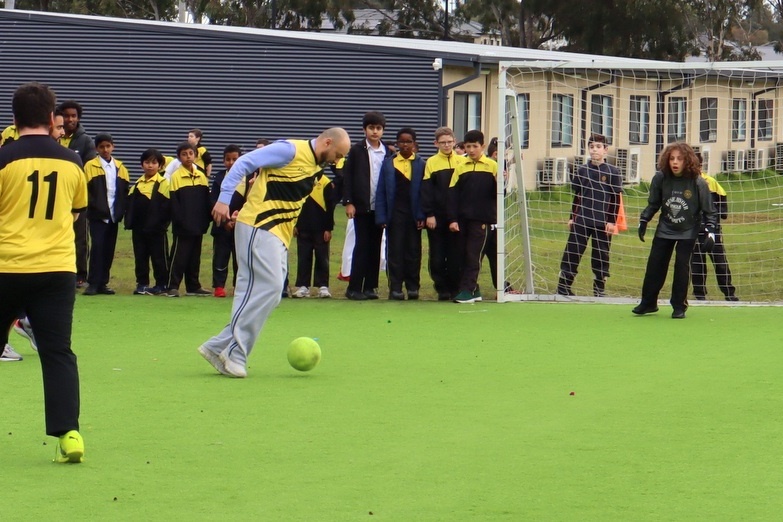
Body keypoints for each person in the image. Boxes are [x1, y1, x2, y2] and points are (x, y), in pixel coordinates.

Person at [199, 127, 351, 378]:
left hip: (277, 235)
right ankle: (235, 354)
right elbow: (245, 162)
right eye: (338, 153)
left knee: (269, 293)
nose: (337, 160)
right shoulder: (289, 149)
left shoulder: (315, 165)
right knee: (267, 288)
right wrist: (225, 198)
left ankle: (217, 346)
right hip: (259, 227)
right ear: (327, 142)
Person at [0, 82, 87, 462]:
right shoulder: (73, 162)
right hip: (57, 269)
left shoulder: (4, 158)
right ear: (52, 119)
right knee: (57, 353)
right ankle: (70, 436)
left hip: (7, 266)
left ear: (14, 119)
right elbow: (76, 210)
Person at [634, 142, 716, 319]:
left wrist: (711, 232)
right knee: (655, 264)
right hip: (665, 228)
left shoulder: (698, 182)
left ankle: (679, 306)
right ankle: (648, 303)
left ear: (688, 161)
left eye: (679, 158)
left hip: (688, 229)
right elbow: (653, 204)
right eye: (672, 158)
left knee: (681, 266)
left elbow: (710, 212)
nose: (675, 162)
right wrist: (644, 219)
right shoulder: (660, 178)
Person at [557, 133, 623, 297]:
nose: (594, 150)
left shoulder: (613, 172)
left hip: (603, 222)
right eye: (592, 147)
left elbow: (615, 198)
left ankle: (599, 289)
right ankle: (563, 287)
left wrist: (612, 221)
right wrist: (572, 217)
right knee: (573, 252)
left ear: (606, 150)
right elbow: (577, 197)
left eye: (598, 147)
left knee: (601, 255)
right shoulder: (582, 170)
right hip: (582, 219)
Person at [342, 111, 391, 300]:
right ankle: (354, 287)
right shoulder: (356, 150)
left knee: (375, 247)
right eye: (371, 128)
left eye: (378, 128)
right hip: (361, 206)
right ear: (365, 129)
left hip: (379, 208)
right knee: (361, 246)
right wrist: (349, 202)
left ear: (383, 131)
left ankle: (371, 287)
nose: (375, 132)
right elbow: (348, 178)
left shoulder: (387, 152)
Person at [447, 130, 498, 304]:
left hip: (483, 220)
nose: (471, 150)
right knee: (462, 254)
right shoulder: (461, 167)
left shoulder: (492, 166)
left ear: (482, 146)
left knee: (473, 255)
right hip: (463, 220)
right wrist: (453, 219)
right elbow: (453, 195)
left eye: (474, 146)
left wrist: (502, 182)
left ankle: (467, 290)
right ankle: (474, 290)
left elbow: (499, 194)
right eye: (467, 146)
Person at [375, 127, 426, 300]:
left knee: (413, 251)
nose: (405, 145)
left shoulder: (420, 164)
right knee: (394, 251)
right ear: (397, 143)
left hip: (413, 215)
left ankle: (413, 287)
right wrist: (382, 217)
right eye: (402, 142)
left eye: (408, 142)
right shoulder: (388, 163)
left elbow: (423, 193)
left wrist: (421, 215)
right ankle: (395, 287)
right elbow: (381, 191)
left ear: (414, 144)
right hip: (394, 214)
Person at [82, 133, 130, 296]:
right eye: (101, 147)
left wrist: (121, 210)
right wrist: (92, 206)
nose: (105, 150)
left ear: (113, 147)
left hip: (113, 215)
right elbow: (85, 190)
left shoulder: (120, 167)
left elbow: (124, 191)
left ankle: (103, 282)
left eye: (108, 146)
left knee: (109, 249)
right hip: (98, 215)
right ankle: (93, 283)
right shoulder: (90, 166)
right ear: (96, 148)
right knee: (97, 248)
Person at [422, 127, 464, 300]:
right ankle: (441, 287)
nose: (446, 145)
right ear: (436, 144)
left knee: (455, 255)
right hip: (437, 217)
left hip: (456, 217)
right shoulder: (431, 162)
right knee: (437, 255)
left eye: (449, 142)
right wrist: (429, 214)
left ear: (454, 141)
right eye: (442, 142)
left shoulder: (462, 161)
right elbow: (426, 191)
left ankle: (455, 287)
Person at [58, 100, 96, 288]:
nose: (70, 119)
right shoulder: (54, 136)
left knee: (79, 237)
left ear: (78, 118)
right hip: (56, 196)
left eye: (73, 116)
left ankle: (80, 274)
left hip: (76, 196)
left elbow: (88, 168)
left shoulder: (85, 140)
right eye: (66, 115)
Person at [166, 141, 212, 297]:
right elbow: (174, 202)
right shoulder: (176, 177)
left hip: (198, 224)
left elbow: (206, 200)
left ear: (196, 155)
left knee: (195, 257)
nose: (188, 157)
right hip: (183, 226)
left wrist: (206, 220)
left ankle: (193, 286)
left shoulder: (201, 175)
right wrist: (180, 221)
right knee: (179, 256)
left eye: (191, 153)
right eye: (184, 154)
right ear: (179, 157)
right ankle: (172, 285)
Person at [691, 152, 738, 301]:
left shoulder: (710, 182)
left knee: (720, 262)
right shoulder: (684, 183)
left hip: (712, 230)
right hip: (692, 231)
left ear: (700, 165)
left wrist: (719, 216)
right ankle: (699, 295)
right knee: (697, 263)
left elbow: (722, 200)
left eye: (695, 165)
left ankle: (729, 293)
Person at [125, 148, 171, 295]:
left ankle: (162, 284)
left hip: (157, 229)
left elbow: (167, 207)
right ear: (141, 165)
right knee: (140, 257)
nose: (150, 166)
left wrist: (161, 224)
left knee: (159, 257)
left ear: (160, 166)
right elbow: (130, 206)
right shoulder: (137, 185)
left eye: (154, 162)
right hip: (139, 229)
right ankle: (142, 283)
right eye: (147, 162)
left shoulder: (163, 183)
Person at [292, 171, 336, 298]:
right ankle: (303, 286)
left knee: (322, 257)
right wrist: (295, 224)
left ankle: (323, 286)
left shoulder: (326, 183)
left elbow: (330, 207)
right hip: (303, 227)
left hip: (321, 229)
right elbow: (296, 204)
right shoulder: (301, 180)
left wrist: (328, 228)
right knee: (303, 257)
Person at [210, 145, 242, 298]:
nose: (231, 162)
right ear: (223, 161)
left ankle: (239, 287)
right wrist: (225, 222)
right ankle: (219, 286)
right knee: (220, 257)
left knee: (240, 259)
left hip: (241, 226)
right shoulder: (219, 177)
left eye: (235, 159)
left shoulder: (247, 178)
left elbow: (250, 201)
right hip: (221, 226)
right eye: (228, 159)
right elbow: (214, 201)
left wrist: (237, 220)